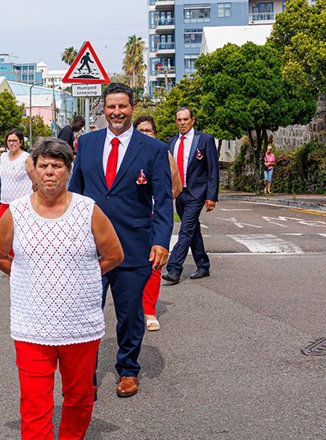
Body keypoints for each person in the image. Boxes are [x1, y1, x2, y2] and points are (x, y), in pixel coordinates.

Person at [0, 137, 123, 440]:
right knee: (34, 408)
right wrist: (24, 277)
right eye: (44, 165)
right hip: (31, 327)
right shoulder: (16, 213)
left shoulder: (88, 211)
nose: (50, 172)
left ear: (68, 170)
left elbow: (113, 255)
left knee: (79, 396)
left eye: (58, 166)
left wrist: (82, 279)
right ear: (34, 169)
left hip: (81, 326)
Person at [68, 83, 173, 398]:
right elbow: (75, 194)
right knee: (86, 314)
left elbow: (164, 200)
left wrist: (161, 241)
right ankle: (86, 374)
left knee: (129, 314)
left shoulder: (153, 149)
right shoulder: (85, 144)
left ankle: (128, 369)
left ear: (132, 107)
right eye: (111, 107)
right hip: (90, 249)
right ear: (103, 108)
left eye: (122, 107)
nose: (116, 113)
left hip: (134, 246)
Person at [133, 115, 183, 332]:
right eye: (140, 131)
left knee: (154, 263)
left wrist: (159, 202)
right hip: (130, 220)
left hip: (153, 218)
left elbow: (176, 187)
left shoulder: (164, 154)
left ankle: (149, 310)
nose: (145, 135)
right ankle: (132, 306)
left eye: (149, 131)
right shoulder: (127, 156)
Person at [162, 106, 219, 285]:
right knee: (193, 230)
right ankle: (203, 265)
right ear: (176, 122)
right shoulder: (171, 142)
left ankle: (174, 268)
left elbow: (213, 170)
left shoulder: (205, 140)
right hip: (179, 193)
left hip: (197, 192)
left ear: (192, 121)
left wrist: (212, 196)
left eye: (185, 119)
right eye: (179, 120)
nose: (182, 123)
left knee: (185, 229)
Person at [0, 129, 36, 220]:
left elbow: (36, 181)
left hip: (23, 204)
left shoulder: (26, 158)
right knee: (2, 232)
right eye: (9, 141)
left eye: (14, 141)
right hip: (5, 203)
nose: (11, 143)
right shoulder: (3, 157)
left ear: (21, 142)